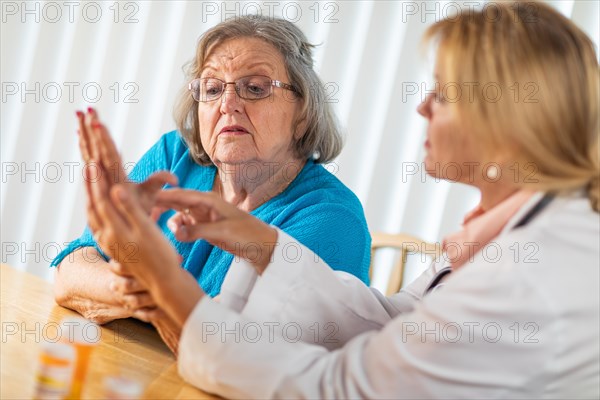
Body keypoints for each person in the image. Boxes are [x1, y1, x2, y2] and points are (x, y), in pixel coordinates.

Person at [81, 1, 599, 398]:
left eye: (441, 93)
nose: (421, 108)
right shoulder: (508, 235)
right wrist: (257, 240)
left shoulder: (529, 275)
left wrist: (159, 276)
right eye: (212, 89)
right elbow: (392, 320)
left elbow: (336, 386)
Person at [51, 16, 372, 351]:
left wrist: (147, 279)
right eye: (213, 88)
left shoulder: (332, 218)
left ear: (303, 111)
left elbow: (233, 348)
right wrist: (127, 289)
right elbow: (72, 269)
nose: (227, 104)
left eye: (256, 88)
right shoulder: (174, 155)